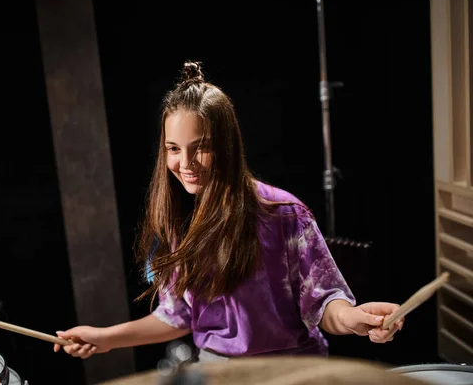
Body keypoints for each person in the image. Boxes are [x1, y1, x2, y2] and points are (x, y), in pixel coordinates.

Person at [53, 61, 404, 361]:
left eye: (200, 147)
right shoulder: (180, 221)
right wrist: (104, 338)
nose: (185, 163)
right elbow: (178, 317)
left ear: (227, 144)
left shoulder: (283, 213)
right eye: (173, 148)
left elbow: (325, 303)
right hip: (219, 370)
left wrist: (353, 317)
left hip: (292, 368)